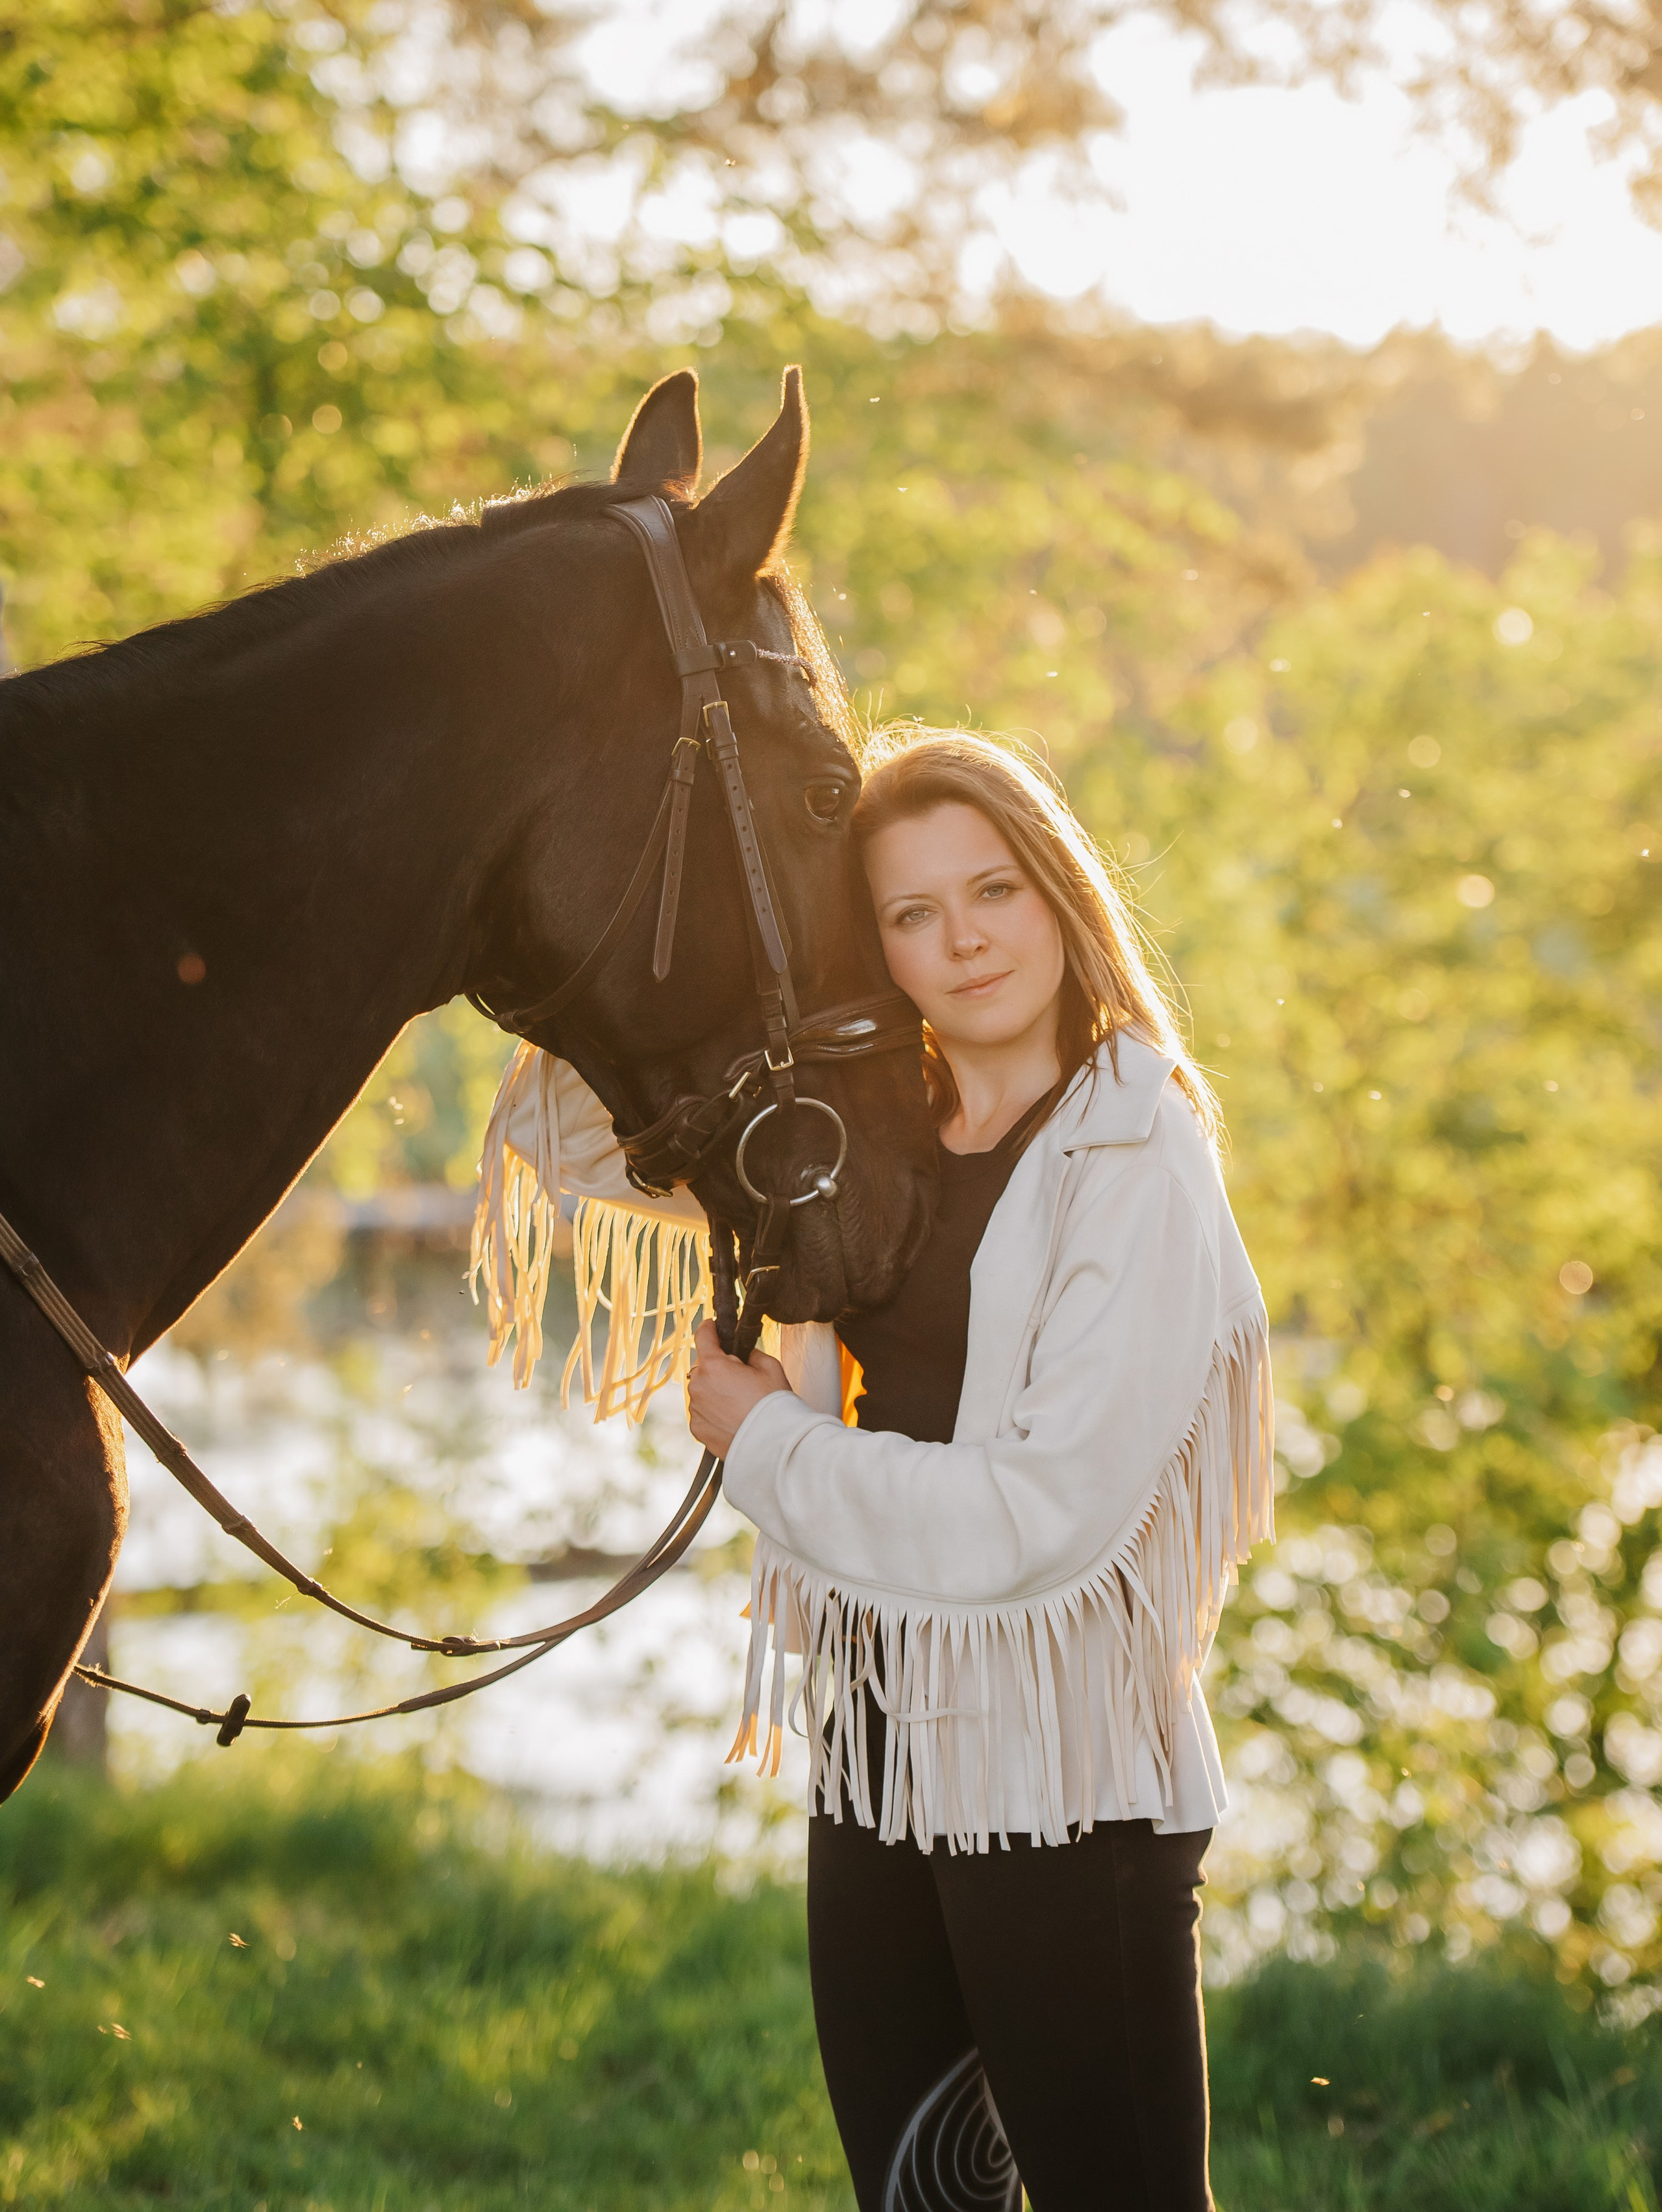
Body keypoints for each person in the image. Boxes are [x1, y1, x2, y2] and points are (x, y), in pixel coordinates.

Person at [471, 726, 1273, 2212]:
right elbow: (570, 1129)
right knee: (919, 2201)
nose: (962, 939)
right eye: (910, 913)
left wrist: (765, 1441)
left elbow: (1035, 1523)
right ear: (876, 949)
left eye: (994, 890)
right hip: (877, 1746)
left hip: (1064, 1784)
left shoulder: (1134, 1150)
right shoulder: (862, 1129)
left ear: (1061, 897)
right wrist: (600, 916)